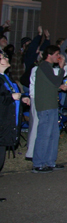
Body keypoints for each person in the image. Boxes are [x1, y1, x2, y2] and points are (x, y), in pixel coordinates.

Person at [31, 45, 67, 173]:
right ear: (50, 54)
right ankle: (38, 164)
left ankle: (50, 162)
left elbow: (50, 85)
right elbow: (55, 82)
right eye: (57, 54)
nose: (58, 57)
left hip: (51, 105)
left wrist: (60, 87)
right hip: (46, 106)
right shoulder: (45, 66)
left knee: (53, 135)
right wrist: (62, 68)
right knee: (44, 135)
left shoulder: (48, 68)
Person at [1, 49, 30, 196]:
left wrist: (22, 99)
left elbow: (12, 98)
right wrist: (11, 97)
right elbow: (4, 99)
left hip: (6, 123)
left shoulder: (7, 78)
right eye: (3, 57)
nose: (6, 59)